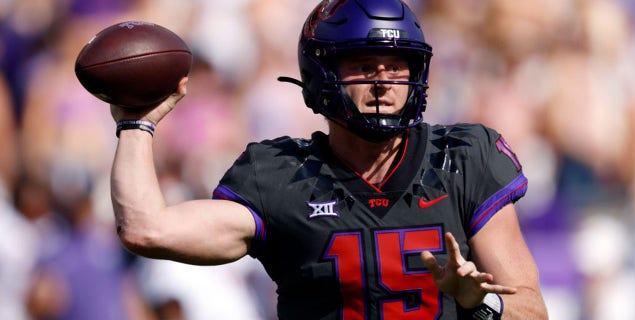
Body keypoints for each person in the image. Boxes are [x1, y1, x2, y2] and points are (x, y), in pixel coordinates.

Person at [108, 0, 548, 319]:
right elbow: (147, 230)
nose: (384, 83)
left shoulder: (461, 161)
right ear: (323, 74)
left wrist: (480, 303)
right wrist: (135, 125)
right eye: (365, 66)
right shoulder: (282, 174)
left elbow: (532, 310)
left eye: (397, 66)